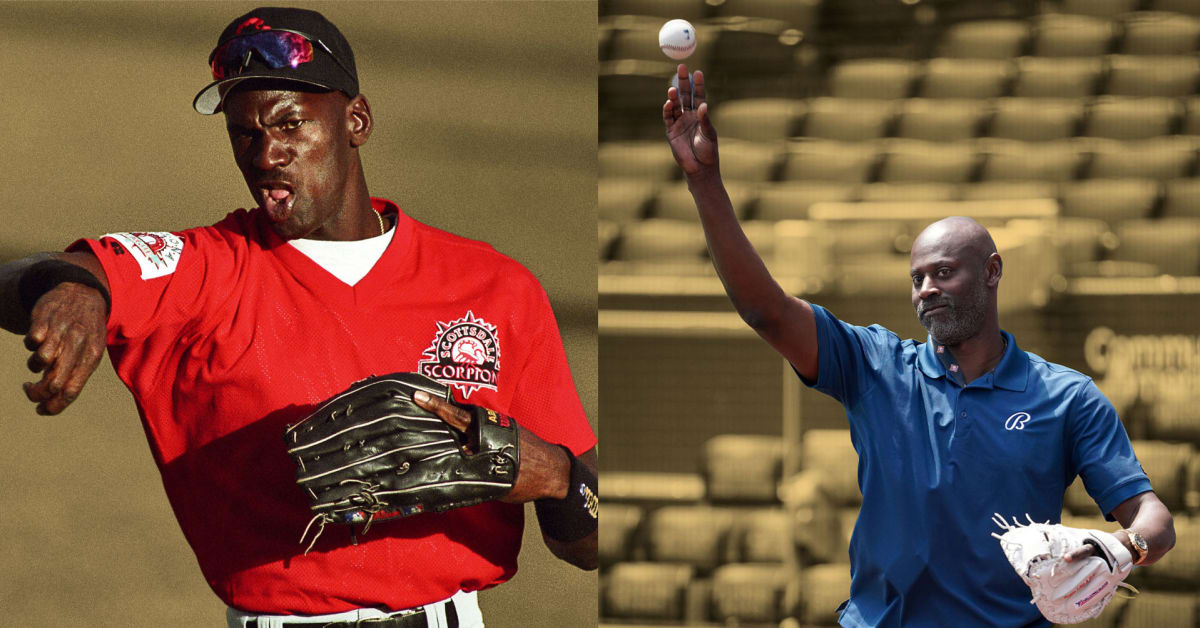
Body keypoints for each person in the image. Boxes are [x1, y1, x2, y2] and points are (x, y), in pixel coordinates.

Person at [0, 7, 596, 628]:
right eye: (244, 133)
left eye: (291, 123)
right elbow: (31, 272)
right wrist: (69, 287)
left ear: (356, 121)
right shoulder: (208, 274)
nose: (268, 154)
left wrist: (556, 476)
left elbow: (591, 544)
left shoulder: (495, 287)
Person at [661, 64, 1175, 627]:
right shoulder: (875, 366)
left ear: (992, 271)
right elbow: (765, 310)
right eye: (917, 278)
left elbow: (1152, 517)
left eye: (945, 272)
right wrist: (705, 183)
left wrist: (1124, 548)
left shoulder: (1068, 397)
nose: (927, 289)